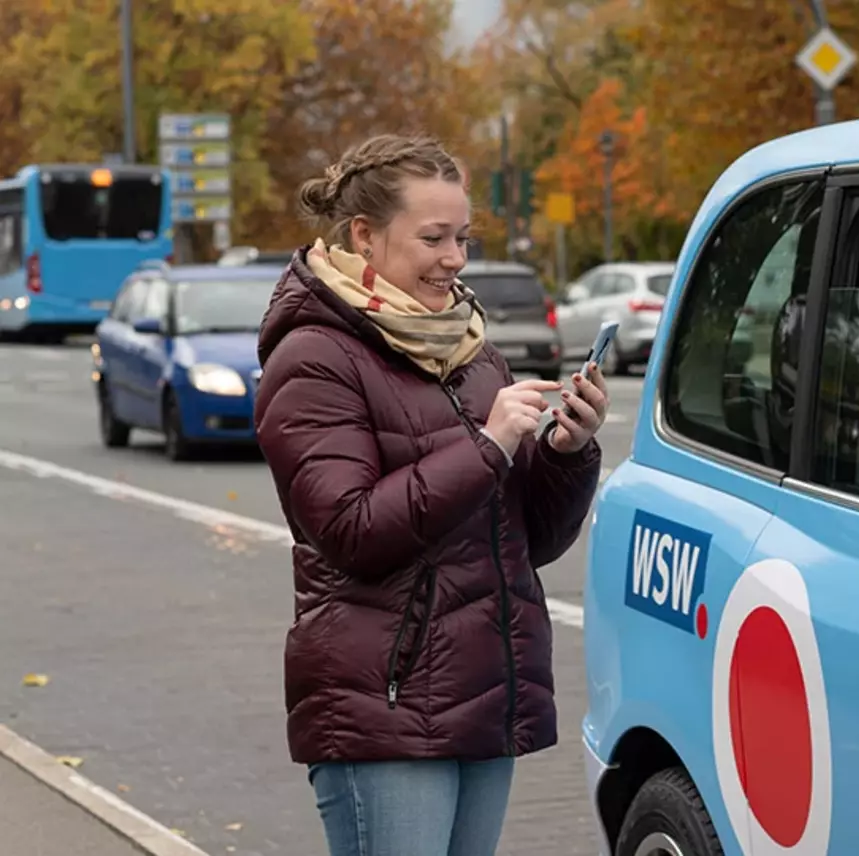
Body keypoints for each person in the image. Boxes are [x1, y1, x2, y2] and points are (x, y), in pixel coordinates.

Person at [252, 133, 606, 856]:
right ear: (364, 236)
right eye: (434, 238)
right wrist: (487, 446)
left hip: (482, 692)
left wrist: (565, 454)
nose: (455, 258)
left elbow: (525, 542)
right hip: (384, 705)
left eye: (463, 237)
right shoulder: (313, 356)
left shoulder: (470, 349)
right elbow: (349, 530)